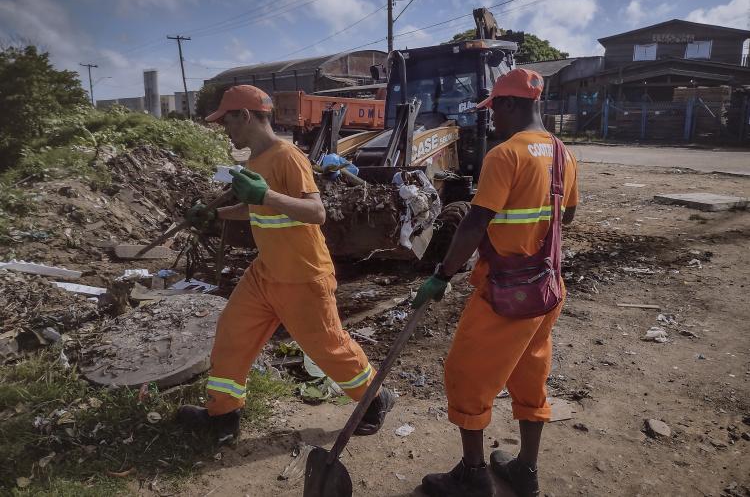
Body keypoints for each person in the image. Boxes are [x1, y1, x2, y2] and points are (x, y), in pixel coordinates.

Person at [177, 85, 394, 443]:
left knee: (328, 347)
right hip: (267, 272)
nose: (223, 128)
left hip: (303, 275)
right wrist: (214, 215)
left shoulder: (287, 155)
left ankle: (374, 399)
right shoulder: (255, 160)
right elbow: (256, 208)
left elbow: (316, 211)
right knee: (232, 335)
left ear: (245, 115)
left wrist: (266, 194)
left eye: (226, 119)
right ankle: (222, 417)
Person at [413, 69, 579, 497]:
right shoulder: (562, 153)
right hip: (547, 288)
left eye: (494, 111)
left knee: (466, 375)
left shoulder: (505, 155)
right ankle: (525, 470)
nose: (491, 121)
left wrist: (442, 274)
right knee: (530, 375)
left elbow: (475, 223)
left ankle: (473, 475)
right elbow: (568, 217)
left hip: (506, 294)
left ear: (509, 104)